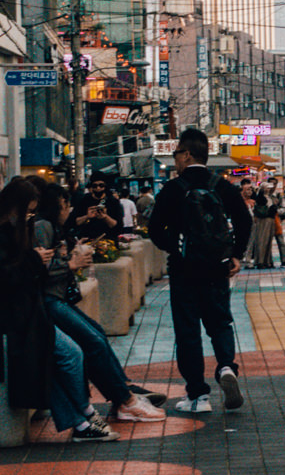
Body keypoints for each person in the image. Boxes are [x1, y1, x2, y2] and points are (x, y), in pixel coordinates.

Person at [34, 183, 165, 422]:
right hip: (49, 300)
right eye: (66, 205)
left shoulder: (51, 227)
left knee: (95, 336)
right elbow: (38, 268)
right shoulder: (42, 227)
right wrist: (70, 263)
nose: (69, 209)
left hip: (55, 298)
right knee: (91, 341)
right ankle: (123, 400)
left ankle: (123, 394)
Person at [0, 176, 116, 442]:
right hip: (18, 319)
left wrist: (41, 261)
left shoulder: (20, 228)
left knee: (59, 358)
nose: (30, 216)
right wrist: (35, 260)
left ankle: (81, 420)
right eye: (28, 210)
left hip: (27, 314)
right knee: (69, 354)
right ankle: (84, 416)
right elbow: (8, 276)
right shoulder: (8, 231)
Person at [148, 127, 252, 413]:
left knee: (188, 331)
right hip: (217, 268)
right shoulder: (222, 186)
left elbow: (154, 229)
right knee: (220, 322)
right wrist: (235, 254)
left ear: (188, 154)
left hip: (184, 271)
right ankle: (227, 369)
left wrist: (176, 247)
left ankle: (197, 396)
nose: (175, 159)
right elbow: (245, 221)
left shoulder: (173, 188)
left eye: (177, 153)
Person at [72, 173, 122, 243]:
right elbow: (75, 222)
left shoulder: (113, 201)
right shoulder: (84, 200)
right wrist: (87, 216)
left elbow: (118, 226)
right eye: (95, 186)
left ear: (105, 186)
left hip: (109, 241)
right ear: (91, 187)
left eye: (101, 185)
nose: (98, 188)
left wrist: (105, 217)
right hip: (88, 241)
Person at [248, 188, 277, 269]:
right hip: (263, 221)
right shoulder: (261, 198)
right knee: (262, 241)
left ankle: (267, 261)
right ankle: (260, 261)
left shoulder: (272, 197)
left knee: (267, 242)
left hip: (270, 221)